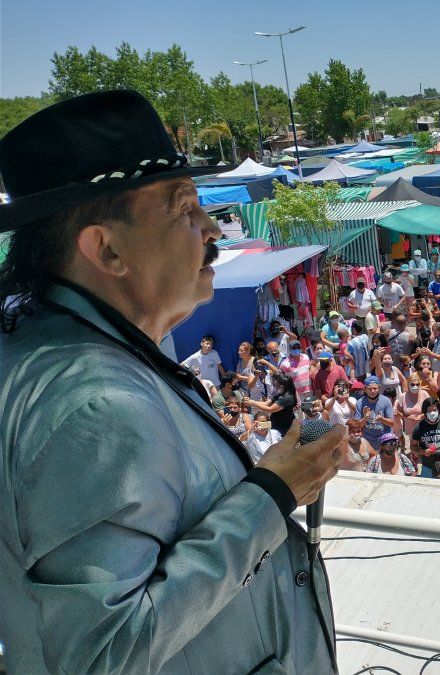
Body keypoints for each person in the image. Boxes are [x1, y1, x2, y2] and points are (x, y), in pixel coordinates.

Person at [0, 91, 344, 673]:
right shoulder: (91, 402)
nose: (211, 227)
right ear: (106, 249)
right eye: (184, 207)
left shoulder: (55, 347)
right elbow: (104, 654)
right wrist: (271, 496)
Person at [410, 398, 440, 478]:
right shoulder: (419, 427)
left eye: (434, 410)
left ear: (438, 410)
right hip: (428, 467)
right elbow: (412, 447)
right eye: (429, 410)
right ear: (424, 412)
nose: (432, 413)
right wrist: (423, 451)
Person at [354, 376, 394, 449]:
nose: (373, 391)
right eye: (370, 389)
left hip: (384, 439)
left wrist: (382, 419)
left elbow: (392, 423)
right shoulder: (360, 403)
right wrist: (365, 418)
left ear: (379, 388)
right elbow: (357, 426)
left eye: (375, 388)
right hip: (368, 440)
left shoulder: (386, 401)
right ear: (365, 389)